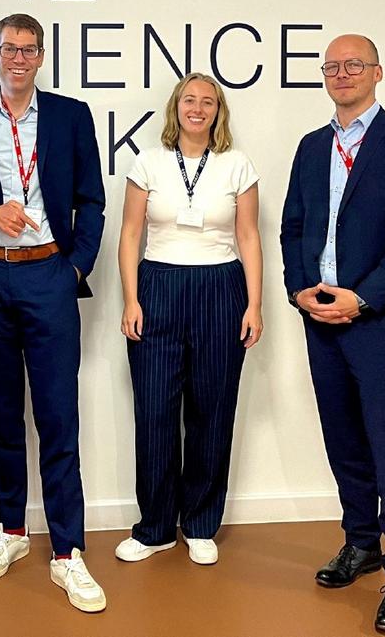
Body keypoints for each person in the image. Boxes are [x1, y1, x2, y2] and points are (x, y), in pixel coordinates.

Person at [0, 13, 107, 612]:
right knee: (3, 414)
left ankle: (67, 552)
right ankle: (11, 530)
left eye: (30, 50)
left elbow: (91, 200)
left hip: (48, 275)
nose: (19, 58)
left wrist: (74, 268)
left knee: (58, 416)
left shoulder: (70, 116)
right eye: (9, 48)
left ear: (40, 58)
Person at [280, 34, 385, 633]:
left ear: (377, 72)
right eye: (333, 66)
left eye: (354, 64)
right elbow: (292, 227)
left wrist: (364, 297)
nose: (342, 73)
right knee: (344, 439)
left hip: (384, 322)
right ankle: (361, 542)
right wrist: (300, 290)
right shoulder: (311, 146)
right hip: (320, 317)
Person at [115, 72, 263, 568]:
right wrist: (131, 299)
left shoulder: (237, 164)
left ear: (219, 111)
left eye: (208, 102)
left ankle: (200, 524)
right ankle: (155, 527)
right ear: (175, 107)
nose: (197, 109)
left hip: (221, 288)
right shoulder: (148, 162)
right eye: (189, 100)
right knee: (155, 412)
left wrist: (254, 304)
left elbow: (248, 237)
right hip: (157, 287)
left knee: (211, 410)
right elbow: (130, 234)